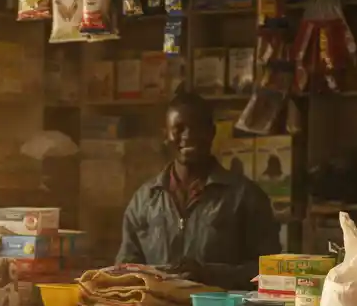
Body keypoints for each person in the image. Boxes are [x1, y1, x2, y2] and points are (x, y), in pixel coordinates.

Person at [116, 91, 282, 289]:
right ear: (166, 135)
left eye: (197, 127)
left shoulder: (245, 197)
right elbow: (123, 271)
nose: (188, 136)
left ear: (212, 132)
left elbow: (270, 272)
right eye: (179, 128)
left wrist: (208, 273)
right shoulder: (144, 200)